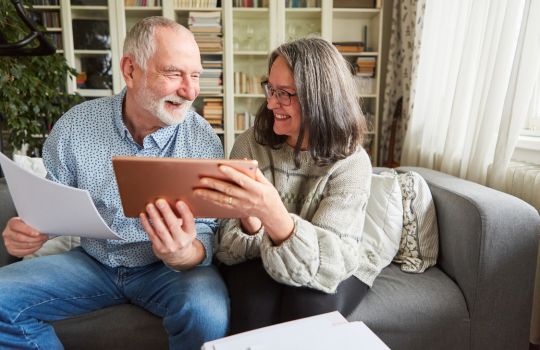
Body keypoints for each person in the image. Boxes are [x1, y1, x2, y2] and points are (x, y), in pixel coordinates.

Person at [0, 17, 228, 349]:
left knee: (206, 314)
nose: (190, 90)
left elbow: (208, 228)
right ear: (130, 70)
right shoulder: (76, 125)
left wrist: (186, 254)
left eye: (195, 76)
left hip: (167, 271)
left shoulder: (203, 140)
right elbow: (52, 203)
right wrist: (30, 230)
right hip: (94, 263)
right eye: (174, 73)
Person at [192, 37, 376, 333]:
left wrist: (273, 214)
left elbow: (329, 266)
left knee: (309, 306)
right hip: (262, 259)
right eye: (271, 89)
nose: (271, 102)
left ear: (320, 98)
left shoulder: (352, 162)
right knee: (253, 302)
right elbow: (225, 247)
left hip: (334, 265)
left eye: (285, 94)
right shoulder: (250, 144)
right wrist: (252, 223)